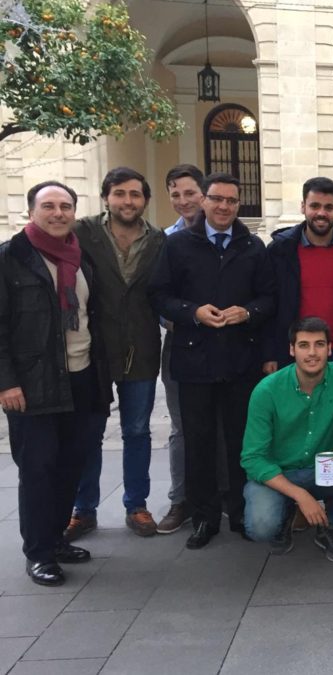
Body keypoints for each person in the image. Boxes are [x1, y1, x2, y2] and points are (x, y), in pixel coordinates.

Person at [149, 172, 276, 550]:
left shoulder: (253, 246)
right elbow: (159, 295)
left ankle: (238, 511)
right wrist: (193, 312)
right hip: (194, 359)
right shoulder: (177, 245)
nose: (224, 207)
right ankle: (204, 517)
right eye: (217, 199)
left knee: (241, 440)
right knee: (198, 441)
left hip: (241, 359)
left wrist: (248, 312)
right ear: (203, 201)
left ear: (239, 205)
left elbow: (270, 298)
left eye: (231, 201)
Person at [0, 181, 112, 585]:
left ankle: (56, 538)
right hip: (34, 385)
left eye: (65, 206)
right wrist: (6, 383)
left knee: (70, 465)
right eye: (48, 206)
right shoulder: (10, 258)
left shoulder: (81, 257)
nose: (58, 213)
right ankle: (39, 552)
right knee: (38, 468)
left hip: (83, 377)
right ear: (32, 211)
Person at [67, 168, 167, 540]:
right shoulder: (82, 233)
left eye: (135, 194)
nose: (128, 201)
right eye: (120, 193)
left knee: (137, 430)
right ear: (106, 196)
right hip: (94, 348)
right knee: (89, 431)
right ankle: (83, 508)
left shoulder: (158, 240)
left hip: (141, 347)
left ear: (145, 200)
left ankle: (136, 505)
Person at [242, 317, 333, 563]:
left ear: (330, 349)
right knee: (260, 527)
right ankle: (286, 512)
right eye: (304, 345)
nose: (312, 353)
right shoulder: (267, 390)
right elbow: (252, 459)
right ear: (292, 350)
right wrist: (300, 495)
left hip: (323, 469)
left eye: (319, 344)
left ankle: (330, 524)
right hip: (279, 473)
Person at [264, 177, 333, 373]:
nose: (321, 213)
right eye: (315, 206)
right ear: (303, 207)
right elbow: (270, 303)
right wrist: (270, 353)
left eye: (328, 207)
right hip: (296, 351)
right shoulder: (280, 250)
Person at [156, 164, 205, 534]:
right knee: (181, 427)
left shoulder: (228, 235)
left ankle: (219, 495)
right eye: (176, 194)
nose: (183, 201)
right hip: (180, 342)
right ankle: (181, 499)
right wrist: (181, 317)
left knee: (221, 422)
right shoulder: (165, 241)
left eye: (190, 193)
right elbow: (158, 294)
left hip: (223, 342)